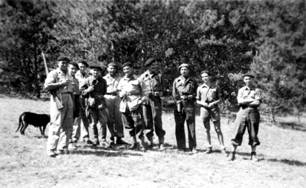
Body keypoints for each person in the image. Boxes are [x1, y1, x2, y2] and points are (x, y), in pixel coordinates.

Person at [44, 56, 74, 157]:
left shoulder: (69, 74)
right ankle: (51, 149)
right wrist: (61, 83)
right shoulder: (54, 73)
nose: (64, 65)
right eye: (62, 63)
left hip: (69, 98)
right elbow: (47, 86)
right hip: (58, 98)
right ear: (58, 63)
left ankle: (63, 147)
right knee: (56, 124)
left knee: (68, 124)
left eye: (66, 63)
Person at [229, 74, 262, 161]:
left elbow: (257, 103)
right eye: (246, 79)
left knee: (253, 134)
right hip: (242, 112)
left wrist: (246, 101)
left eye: (249, 79)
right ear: (244, 80)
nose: (248, 80)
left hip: (253, 113)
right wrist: (251, 100)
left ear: (252, 80)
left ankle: (253, 154)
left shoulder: (257, 90)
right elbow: (240, 102)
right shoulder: (241, 90)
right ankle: (232, 153)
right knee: (237, 132)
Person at [117, 62, 146, 151]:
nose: (126, 71)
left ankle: (141, 143)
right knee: (128, 125)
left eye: (128, 69)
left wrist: (140, 101)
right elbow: (118, 91)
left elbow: (144, 92)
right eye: (125, 69)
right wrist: (121, 94)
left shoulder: (138, 79)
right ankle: (134, 142)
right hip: (124, 105)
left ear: (132, 69)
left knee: (138, 124)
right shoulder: (122, 80)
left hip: (135, 104)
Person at [138, 58, 165, 149]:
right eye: (152, 66)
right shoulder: (142, 77)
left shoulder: (159, 76)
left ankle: (161, 141)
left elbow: (163, 90)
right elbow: (139, 90)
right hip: (145, 101)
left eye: (156, 65)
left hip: (155, 100)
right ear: (148, 66)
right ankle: (150, 141)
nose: (155, 67)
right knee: (147, 120)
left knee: (157, 119)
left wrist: (158, 93)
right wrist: (142, 97)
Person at [196, 70, 225, 154]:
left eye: (206, 76)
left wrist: (213, 103)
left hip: (214, 109)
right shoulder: (200, 88)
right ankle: (209, 147)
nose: (204, 78)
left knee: (218, 129)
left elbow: (220, 99)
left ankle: (222, 147)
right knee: (206, 129)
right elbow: (197, 100)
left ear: (209, 77)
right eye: (203, 77)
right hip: (204, 109)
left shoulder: (215, 87)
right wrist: (203, 103)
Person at [81, 65, 108, 147]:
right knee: (93, 123)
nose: (95, 72)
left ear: (100, 72)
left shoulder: (103, 81)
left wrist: (100, 98)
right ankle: (95, 139)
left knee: (103, 122)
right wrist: (87, 90)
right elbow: (82, 92)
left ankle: (103, 139)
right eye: (94, 70)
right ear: (91, 71)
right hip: (91, 103)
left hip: (100, 103)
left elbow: (104, 92)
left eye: (97, 71)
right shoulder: (87, 80)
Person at [172, 63, 197, 152]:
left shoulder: (193, 81)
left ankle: (192, 146)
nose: (183, 71)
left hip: (189, 104)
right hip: (179, 104)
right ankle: (181, 146)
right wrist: (178, 101)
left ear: (188, 70)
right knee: (179, 125)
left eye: (185, 69)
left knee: (191, 125)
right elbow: (174, 94)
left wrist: (191, 97)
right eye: (182, 69)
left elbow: (196, 93)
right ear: (179, 71)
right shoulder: (176, 80)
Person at [103, 62, 127, 146]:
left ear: (116, 69)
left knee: (118, 118)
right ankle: (111, 137)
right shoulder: (103, 79)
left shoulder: (120, 79)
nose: (112, 70)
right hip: (107, 98)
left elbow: (123, 89)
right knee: (109, 118)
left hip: (117, 98)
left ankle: (119, 138)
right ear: (107, 69)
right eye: (110, 68)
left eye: (114, 68)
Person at [72, 61, 90, 144]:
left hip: (86, 98)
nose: (81, 68)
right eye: (80, 67)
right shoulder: (74, 75)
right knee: (77, 118)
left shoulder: (89, 76)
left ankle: (85, 136)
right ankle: (75, 136)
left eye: (83, 66)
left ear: (86, 67)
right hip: (76, 97)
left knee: (86, 117)